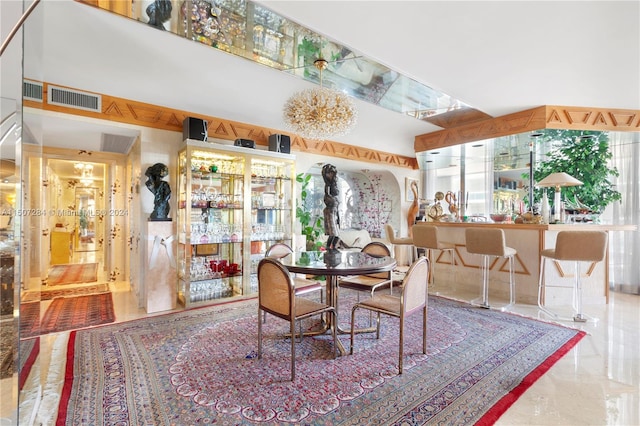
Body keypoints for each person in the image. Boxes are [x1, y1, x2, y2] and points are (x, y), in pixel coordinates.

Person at [322, 164, 341, 249]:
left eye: (331, 173)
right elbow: (328, 197)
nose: (330, 175)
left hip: (334, 210)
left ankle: (332, 248)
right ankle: (328, 248)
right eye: (328, 173)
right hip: (330, 211)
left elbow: (335, 194)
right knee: (333, 233)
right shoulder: (328, 186)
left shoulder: (333, 184)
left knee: (336, 234)